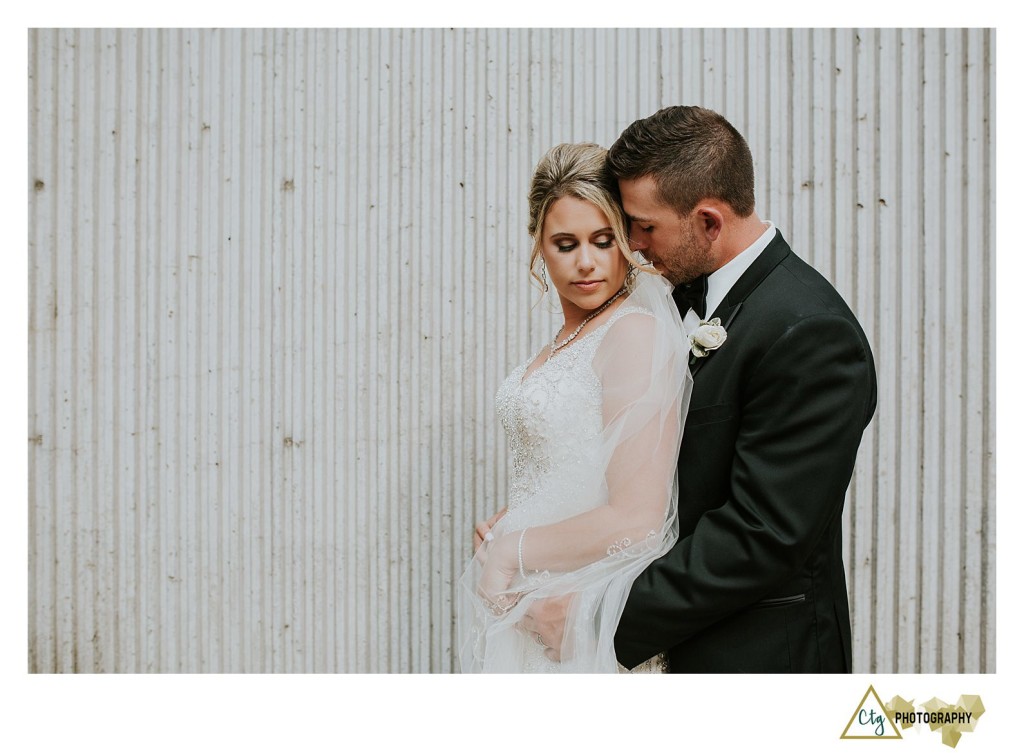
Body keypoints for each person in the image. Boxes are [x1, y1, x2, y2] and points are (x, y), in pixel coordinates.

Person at [519, 106, 877, 672]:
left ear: (708, 221)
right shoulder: (673, 302)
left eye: (644, 226)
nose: (633, 247)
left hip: (756, 662)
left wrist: (598, 616)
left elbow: (762, 535)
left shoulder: (810, 332)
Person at [456, 143, 692, 673]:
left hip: (578, 616)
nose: (586, 261)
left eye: (603, 241)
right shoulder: (566, 340)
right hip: (531, 603)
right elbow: (568, 470)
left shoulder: (633, 333)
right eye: (566, 243)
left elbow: (637, 521)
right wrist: (512, 522)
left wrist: (511, 548)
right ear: (539, 247)